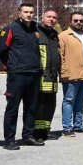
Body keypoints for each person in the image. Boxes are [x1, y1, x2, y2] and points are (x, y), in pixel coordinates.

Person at [0, 3, 42, 150]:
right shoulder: (10, 29)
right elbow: (2, 50)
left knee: (31, 108)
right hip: (17, 75)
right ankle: (9, 140)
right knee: (13, 108)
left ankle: (28, 136)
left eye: (31, 12)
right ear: (19, 13)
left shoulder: (36, 29)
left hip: (34, 74)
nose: (29, 14)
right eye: (25, 12)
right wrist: (11, 65)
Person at [59, 12, 83, 137]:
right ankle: (67, 128)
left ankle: (78, 125)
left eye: (81, 20)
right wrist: (64, 72)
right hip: (71, 74)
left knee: (80, 100)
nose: (78, 23)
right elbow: (61, 56)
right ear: (70, 21)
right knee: (69, 100)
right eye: (75, 20)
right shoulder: (64, 36)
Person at [32, 9, 60, 142]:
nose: (51, 19)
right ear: (42, 18)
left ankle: (45, 131)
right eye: (49, 17)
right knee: (40, 106)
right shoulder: (35, 32)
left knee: (50, 105)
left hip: (53, 77)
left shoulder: (55, 34)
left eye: (54, 17)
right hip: (40, 76)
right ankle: (36, 133)